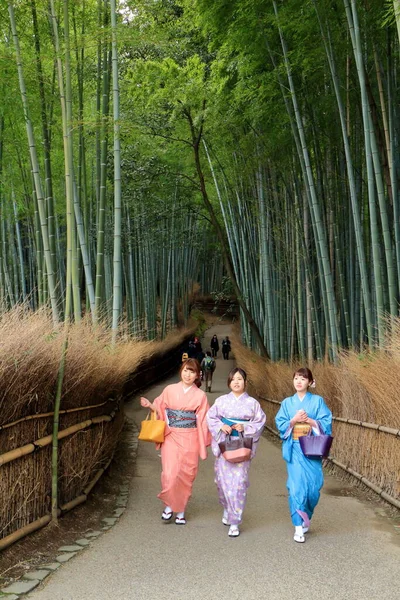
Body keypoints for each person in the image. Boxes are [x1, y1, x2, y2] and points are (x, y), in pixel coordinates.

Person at [140, 359, 210, 525]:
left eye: (192, 372)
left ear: (197, 375)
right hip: (171, 436)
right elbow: (160, 407)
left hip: (190, 437)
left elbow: (205, 420)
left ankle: (181, 510)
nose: (188, 374)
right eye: (186, 370)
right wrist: (150, 405)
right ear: (181, 371)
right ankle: (169, 506)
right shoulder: (170, 390)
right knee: (170, 473)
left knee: (186, 474)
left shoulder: (201, 396)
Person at [275, 367, 332, 543]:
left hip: (311, 449)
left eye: (303, 378)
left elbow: (326, 422)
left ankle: (306, 514)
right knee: (296, 487)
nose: (299, 381)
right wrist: (293, 420)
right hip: (295, 449)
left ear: (310, 382)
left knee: (313, 488)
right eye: (296, 378)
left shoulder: (318, 401)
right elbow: (281, 423)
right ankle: (298, 526)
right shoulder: (287, 403)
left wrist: (310, 421)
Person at [207, 367, 266, 537]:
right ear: (229, 382)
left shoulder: (253, 403)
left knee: (239, 484)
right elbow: (211, 418)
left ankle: (235, 521)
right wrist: (221, 426)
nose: (237, 382)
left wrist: (245, 427)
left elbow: (260, 422)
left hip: (242, 447)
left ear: (245, 383)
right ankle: (227, 507)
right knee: (222, 483)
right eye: (233, 379)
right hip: (225, 445)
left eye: (240, 379)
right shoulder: (221, 401)